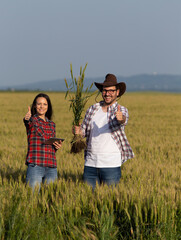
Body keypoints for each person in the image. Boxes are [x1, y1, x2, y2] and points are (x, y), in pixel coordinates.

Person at [74, 73, 134, 189]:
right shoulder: (92, 109)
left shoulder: (121, 110)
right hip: (90, 164)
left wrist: (121, 118)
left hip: (110, 164)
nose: (107, 93)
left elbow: (123, 120)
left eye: (111, 91)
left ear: (117, 92)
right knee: (88, 200)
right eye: (105, 90)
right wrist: (77, 132)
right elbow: (84, 133)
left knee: (109, 200)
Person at [23, 93, 62, 190]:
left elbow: (50, 145)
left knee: (50, 199)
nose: (42, 106)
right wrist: (26, 119)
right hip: (36, 165)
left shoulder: (52, 124)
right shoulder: (32, 120)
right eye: (39, 104)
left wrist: (56, 147)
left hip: (51, 167)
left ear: (48, 106)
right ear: (34, 106)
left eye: (45, 104)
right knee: (32, 198)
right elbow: (27, 122)